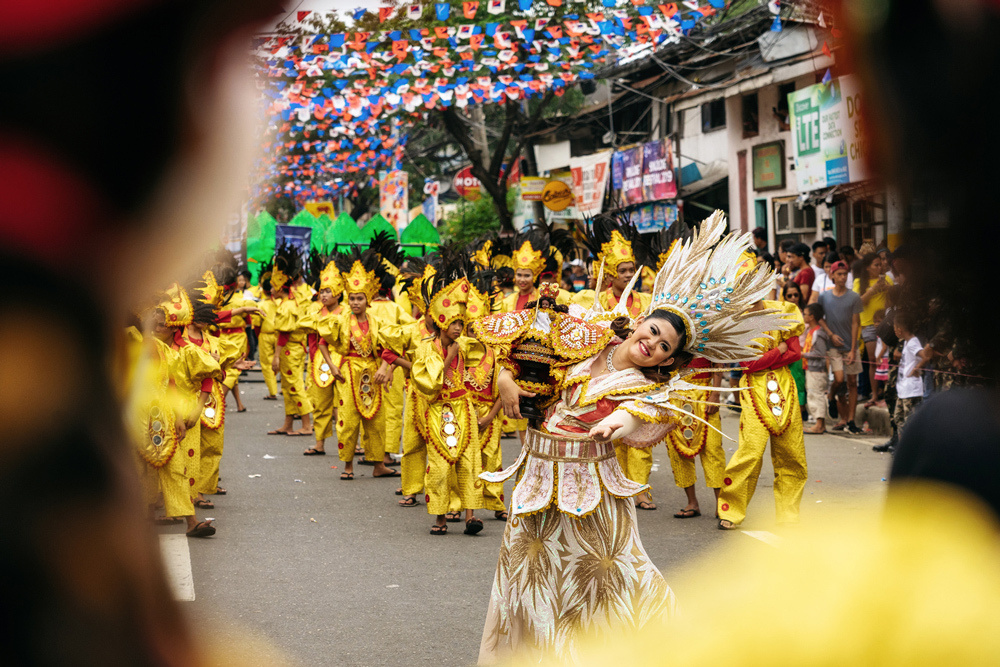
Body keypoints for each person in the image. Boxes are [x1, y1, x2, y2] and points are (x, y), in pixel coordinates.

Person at [475, 211, 793, 660]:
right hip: (536, 484)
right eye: (654, 331)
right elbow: (519, 350)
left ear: (667, 360)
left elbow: (638, 414)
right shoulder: (586, 332)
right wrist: (506, 380)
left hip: (591, 494)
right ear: (641, 320)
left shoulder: (650, 388)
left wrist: (617, 424)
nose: (652, 344)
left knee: (608, 582)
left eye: (664, 347)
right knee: (529, 581)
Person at [410, 252, 493, 535]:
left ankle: (471, 515)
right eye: (455, 323)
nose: (459, 328)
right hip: (437, 410)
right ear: (441, 322)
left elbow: (486, 351)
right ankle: (440, 517)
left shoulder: (466, 344)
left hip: (463, 407)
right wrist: (449, 356)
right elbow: (428, 383)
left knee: (469, 461)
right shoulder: (425, 347)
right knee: (440, 466)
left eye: (461, 323)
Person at [717, 280, 807, 530]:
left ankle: (789, 514)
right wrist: (778, 350)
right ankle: (731, 510)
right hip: (752, 389)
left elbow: (795, 353)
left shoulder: (783, 311)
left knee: (792, 453)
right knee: (750, 452)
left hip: (785, 387)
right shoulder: (737, 322)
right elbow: (748, 365)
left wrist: (768, 358)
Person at [319, 247, 399, 480]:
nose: (355, 303)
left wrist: (384, 368)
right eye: (352, 298)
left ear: (368, 299)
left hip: (372, 373)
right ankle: (348, 466)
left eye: (359, 298)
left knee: (376, 421)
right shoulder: (341, 320)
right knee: (348, 420)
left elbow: (389, 349)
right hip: (348, 373)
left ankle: (378, 465)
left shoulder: (377, 323)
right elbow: (322, 342)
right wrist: (332, 366)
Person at [664, 357, 725, 518]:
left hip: (704, 394)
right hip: (675, 397)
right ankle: (692, 503)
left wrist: (715, 394)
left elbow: (718, 361)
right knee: (677, 451)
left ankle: (721, 503)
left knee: (713, 449)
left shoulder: (709, 336)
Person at [301, 257, 345, 456]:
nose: (324, 294)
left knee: (346, 404)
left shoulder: (347, 312)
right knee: (321, 404)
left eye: (328, 291)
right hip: (321, 361)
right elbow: (302, 323)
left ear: (338, 293)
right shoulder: (317, 311)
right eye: (322, 291)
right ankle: (319, 443)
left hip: (344, 360)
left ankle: (351, 444)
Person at [266, 253, 314, 436]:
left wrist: (276, 356)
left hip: (290, 349)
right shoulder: (291, 302)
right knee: (287, 387)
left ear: (280, 287)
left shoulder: (287, 306)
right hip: (294, 348)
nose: (271, 290)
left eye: (273, 286)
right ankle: (288, 424)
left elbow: (284, 334)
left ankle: (306, 425)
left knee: (295, 386)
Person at [817, 261, 864, 434]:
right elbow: (818, 317)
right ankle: (831, 396)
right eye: (839, 274)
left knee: (852, 382)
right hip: (833, 346)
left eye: (845, 274)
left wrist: (853, 349)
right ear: (832, 275)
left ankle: (851, 420)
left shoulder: (854, 297)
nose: (842, 277)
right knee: (838, 379)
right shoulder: (824, 296)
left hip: (850, 345)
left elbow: (855, 323)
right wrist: (831, 334)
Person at [854, 253, 894, 404]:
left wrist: (888, 288)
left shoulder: (886, 278)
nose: (880, 267)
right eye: (876, 265)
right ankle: (875, 394)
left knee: (886, 359)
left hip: (886, 323)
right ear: (867, 267)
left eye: (880, 264)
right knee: (873, 360)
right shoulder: (859, 282)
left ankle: (887, 393)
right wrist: (873, 289)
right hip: (868, 324)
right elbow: (858, 303)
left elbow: (894, 298)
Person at [892, 311, 924, 439]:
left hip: (911, 390)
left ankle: (912, 446)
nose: (894, 331)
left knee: (910, 421)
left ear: (899, 330)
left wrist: (918, 367)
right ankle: (902, 443)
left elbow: (925, 355)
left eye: (895, 328)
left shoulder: (913, 343)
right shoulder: (906, 342)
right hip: (903, 389)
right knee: (898, 418)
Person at [801, 303, 831, 434]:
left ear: (812, 316)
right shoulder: (810, 331)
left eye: (805, 314)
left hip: (816, 369)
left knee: (816, 395)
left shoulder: (818, 333)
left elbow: (820, 353)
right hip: (811, 367)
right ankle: (820, 424)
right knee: (813, 394)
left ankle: (819, 425)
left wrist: (803, 355)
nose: (804, 316)